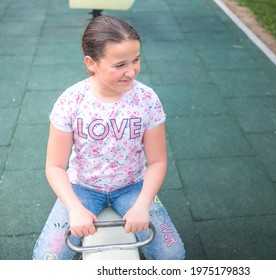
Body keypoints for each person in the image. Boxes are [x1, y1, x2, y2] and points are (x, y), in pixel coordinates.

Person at [32, 15, 185, 260]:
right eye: (119, 65)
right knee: (47, 260)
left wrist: (143, 203)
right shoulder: (71, 101)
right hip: (82, 188)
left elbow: (157, 161)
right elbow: (54, 166)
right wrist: (74, 208)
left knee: (172, 255)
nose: (131, 71)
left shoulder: (147, 100)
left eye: (135, 60)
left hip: (132, 186)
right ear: (91, 63)